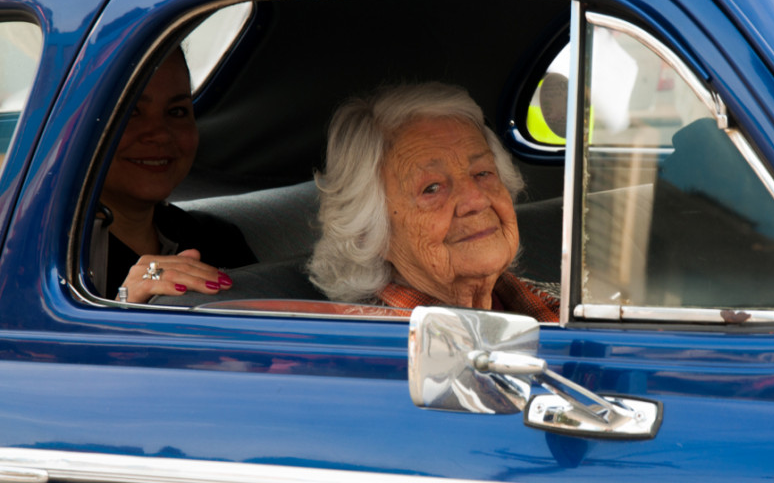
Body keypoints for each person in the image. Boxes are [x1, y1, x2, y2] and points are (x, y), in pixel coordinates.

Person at [308, 82, 558, 321]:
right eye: (432, 188)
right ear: (369, 233)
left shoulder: (559, 304)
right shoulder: (368, 352)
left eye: (482, 173)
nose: (476, 200)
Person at [90, 48, 256, 303]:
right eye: (131, 111)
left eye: (176, 111)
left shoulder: (217, 239)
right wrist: (124, 302)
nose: (160, 134)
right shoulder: (45, 252)